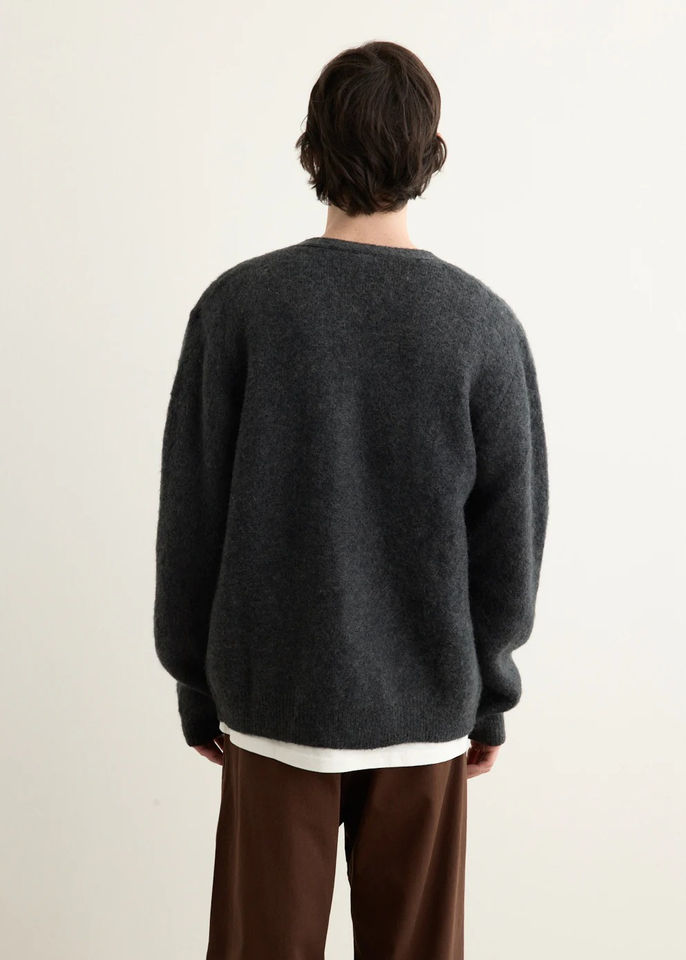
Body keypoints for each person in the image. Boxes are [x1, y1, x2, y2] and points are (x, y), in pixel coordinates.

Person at [154, 39, 549, 960]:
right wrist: (488, 696)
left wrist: (196, 686)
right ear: (431, 152)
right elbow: (509, 545)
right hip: (424, 713)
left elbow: (191, 521)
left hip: (273, 707)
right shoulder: (481, 327)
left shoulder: (240, 309)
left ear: (312, 147)